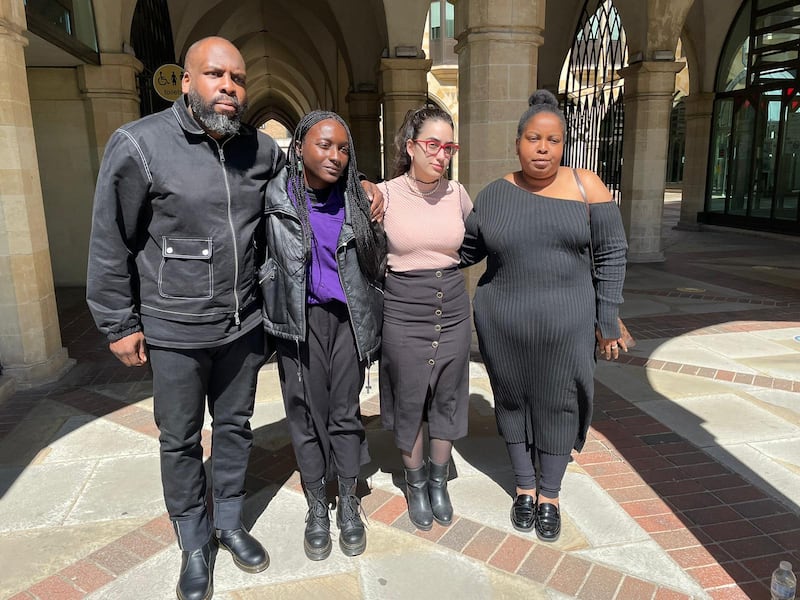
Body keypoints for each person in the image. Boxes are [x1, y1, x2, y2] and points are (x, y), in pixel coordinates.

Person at [86, 37, 383, 600]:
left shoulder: (260, 151)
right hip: (173, 326)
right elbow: (109, 240)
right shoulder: (139, 145)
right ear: (187, 82)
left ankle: (227, 522)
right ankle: (193, 541)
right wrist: (118, 322)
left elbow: (315, 171)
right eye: (215, 75)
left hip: (243, 324)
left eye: (238, 79)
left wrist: (360, 183)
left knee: (234, 428)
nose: (229, 87)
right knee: (178, 439)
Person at [460, 90, 628, 543]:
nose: (542, 148)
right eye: (534, 138)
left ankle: (550, 494)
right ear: (517, 143)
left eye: (553, 140)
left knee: (560, 402)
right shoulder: (493, 195)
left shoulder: (586, 186)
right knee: (511, 399)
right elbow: (466, 250)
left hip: (568, 323)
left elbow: (612, 254)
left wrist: (607, 318)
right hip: (502, 322)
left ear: (564, 144)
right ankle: (524, 487)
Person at [260, 110, 386, 560]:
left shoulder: (357, 199)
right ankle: (317, 504)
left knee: (345, 414)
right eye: (324, 145)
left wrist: (369, 184)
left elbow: (377, 262)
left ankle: (348, 501)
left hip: (347, 321)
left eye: (343, 147)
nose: (335, 155)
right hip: (299, 323)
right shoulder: (274, 195)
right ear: (299, 148)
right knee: (305, 416)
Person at [378, 107, 473, 531]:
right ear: (410, 146)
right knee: (409, 398)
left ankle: (439, 482)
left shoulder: (457, 193)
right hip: (403, 307)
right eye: (432, 145)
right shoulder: (384, 194)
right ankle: (415, 485)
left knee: (448, 395)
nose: (442, 155)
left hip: (452, 304)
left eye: (448, 147)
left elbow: (474, 241)